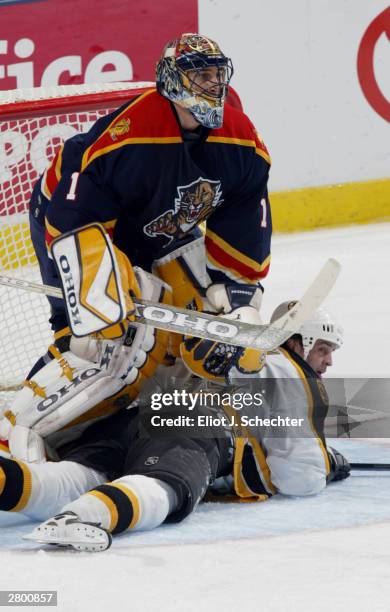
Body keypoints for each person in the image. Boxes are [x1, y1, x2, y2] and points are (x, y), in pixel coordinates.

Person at [0, 32, 272, 464]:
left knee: (205, 317)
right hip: (74, 222)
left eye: (216, 75)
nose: (212, 85)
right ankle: (11, 432)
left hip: (160, 228)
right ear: (172, 81)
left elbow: (243, 217)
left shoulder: (240, 141)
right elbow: (73, 210)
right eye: (199, 75)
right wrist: (100, 285)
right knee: (94, 341)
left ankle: (157, 423)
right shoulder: (131, 134)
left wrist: (237, 297)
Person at [0, 304, 349, 552]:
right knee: (165, 488)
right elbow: (300, 477)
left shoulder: (235, 353)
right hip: (194, 425)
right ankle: (84, 517)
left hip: (132, 417)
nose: (328, 360)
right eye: (322, 349)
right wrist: (328, 464)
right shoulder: (290, 369)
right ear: (296, 343)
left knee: (74, 478)